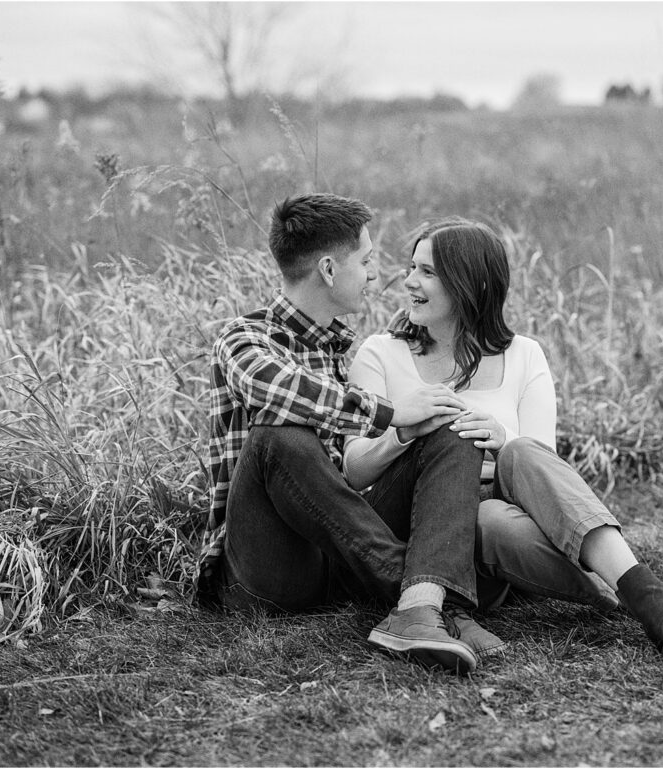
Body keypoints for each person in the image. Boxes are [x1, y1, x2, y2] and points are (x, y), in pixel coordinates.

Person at [343, 218, 663, 659]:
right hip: (419, 527)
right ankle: (648, 595)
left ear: (470, 284)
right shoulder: (380, 353)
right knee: (485, 518)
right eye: (411, 267)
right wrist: (403, 432)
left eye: (427, 272)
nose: (408, 282)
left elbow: (544, 471)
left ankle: (646, 598)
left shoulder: (523, 355)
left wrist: (500, 439)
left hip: (500, 525)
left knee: (505, 485)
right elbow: (354, 469)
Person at [196, 195, 503, 674]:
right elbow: (272, 386)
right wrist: (391, 413)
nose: (378, 275)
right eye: (366, 261)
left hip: (337, 556)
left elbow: (348, 481)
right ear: (328, 269)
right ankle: (436, 598)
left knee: (448, 422)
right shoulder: (243, 338)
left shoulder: (341, 354)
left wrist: (414, 427)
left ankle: (420, 604)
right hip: (264, 569)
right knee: (279, 437)